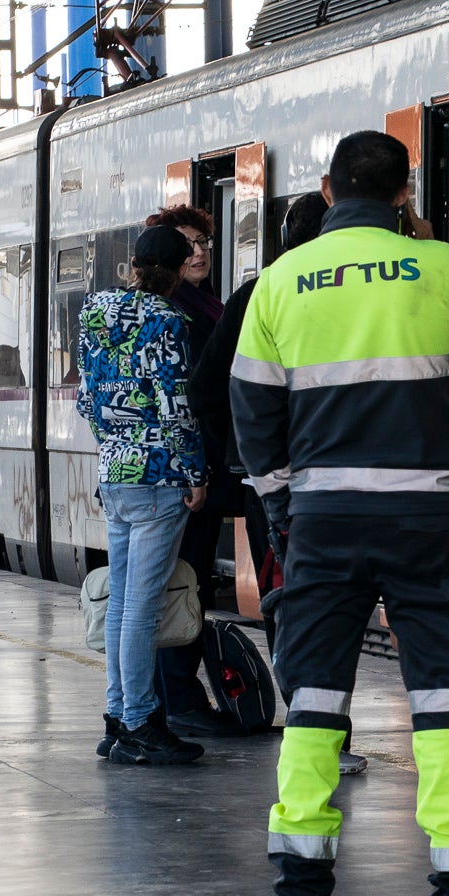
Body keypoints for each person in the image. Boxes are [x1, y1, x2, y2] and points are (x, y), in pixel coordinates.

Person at [232, 131, 449, 896]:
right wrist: (428, 244)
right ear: (405, 192)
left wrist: (286, 506)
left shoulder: (282, 281)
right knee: (440, 690)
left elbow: (253, 410)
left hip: (323, 519)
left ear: (327, 191)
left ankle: (304, 891)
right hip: (425, 518)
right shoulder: (440, 264)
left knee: (316, 694)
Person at [190, 192, 366, 777]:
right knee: (330, 608)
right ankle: (322, 736)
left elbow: (207, 390)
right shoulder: (358, 290)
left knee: (292, 605)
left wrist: (244, 452)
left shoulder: (258, 293)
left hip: (277, 484)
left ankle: (319, 735)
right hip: (345, 480)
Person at [77, 225, 210, 766]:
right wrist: (195, 471)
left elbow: (87, 399)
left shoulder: (94, 314)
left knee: (123, 602)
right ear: (179, 270)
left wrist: (114, 443)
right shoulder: (168, 322)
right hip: (158, 476)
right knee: (140, 607)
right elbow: (175, 407)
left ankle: (116, 717)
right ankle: (137, 722)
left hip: (115, 472)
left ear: (133, 264)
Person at [145, 203, 242, 737]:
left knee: (189, 580)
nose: (200, 250)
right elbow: (180, 398)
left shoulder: (204, 303)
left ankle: (176, 693)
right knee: (182, 581)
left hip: (201, 464)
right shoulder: (174, 312)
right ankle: (177, 694)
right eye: (188, 242)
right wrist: (192, 469)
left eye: (204, 240)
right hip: (188, 472)